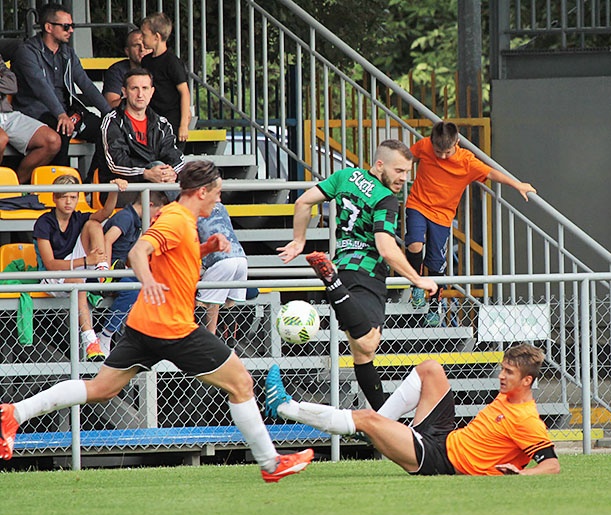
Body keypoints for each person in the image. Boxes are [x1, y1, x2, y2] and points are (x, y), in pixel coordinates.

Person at [1, 160, 313, 482]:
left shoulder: (182, 219)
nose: (219, 201)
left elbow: (173, 257)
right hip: (172, 327)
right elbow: (139, 252)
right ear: (201, 191)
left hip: (144, 325)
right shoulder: (177, 219)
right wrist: (147, 281)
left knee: (100, 388)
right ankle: (272, 464)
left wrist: (206, 248)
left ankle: (14, 413)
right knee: (242, 383)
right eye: (217, 194)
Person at [277, 139, 438, 412]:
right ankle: (332, 283)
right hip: (366, 273)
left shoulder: (345, 177)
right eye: (399, 171)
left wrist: (299, 239)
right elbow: (386, 248)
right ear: (379, 165)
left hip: (344, 266)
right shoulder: (385, 199)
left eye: (407, 172)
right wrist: (417, 279)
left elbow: (304, 201)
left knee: (363, 354)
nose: (404, 178)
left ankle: (385, 421)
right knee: (368, 341)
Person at [264, 343, 560, 476]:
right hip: (445, 437)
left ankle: (286, 407)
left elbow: (551, 464)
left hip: (439, 461)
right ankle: (379, 427)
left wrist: (524, 476)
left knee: (366, 420)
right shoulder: (508, 398)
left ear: (527, 380)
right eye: (502, 369)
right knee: (431, 369)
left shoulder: (527, 420)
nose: (502, 376)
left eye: (509, 372)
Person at [405, 121, 536, 325]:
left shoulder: (466, 161)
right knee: (414, 243)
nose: (442, 156)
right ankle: (415, 284)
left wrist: (517, 184)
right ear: (432, 143)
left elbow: (491, 173)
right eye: (438, 151)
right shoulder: (424, 146)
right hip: (418, 204)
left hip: (442, 215)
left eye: (447, 152)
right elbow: (409, 158)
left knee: (436, 262)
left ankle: (433, 305)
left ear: (457, 142)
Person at [34, 174, 124, 360]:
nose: (69, 201)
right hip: (53, 274)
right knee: (77, 282)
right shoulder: (44, 222)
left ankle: (103, 271)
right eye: (64, 196)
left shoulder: (78, 218)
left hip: (79, 264)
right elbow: (50, 264)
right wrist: (85, 261)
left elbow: (105, 213)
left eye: (73, 197)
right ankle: (90, 341)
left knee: (93, 224)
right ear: (54, 198)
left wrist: (115, 190)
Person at [11, 3, 111, 168]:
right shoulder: (27, 51)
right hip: (36, 112)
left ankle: (88, 184)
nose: (71, 30)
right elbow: (41, 87)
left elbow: (86, 84)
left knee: (106, 130)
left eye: (72, 26)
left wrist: (110, 115)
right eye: (66, 26)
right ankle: (61, 186)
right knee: (63, 129)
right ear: (49, 27)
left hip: (65, 112)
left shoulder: (68, 53)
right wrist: (60, 115)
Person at [96, 190, 169, 356]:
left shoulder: (136, 221)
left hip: (121, 268)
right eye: (157, 212)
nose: (156, 218)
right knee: (132, 290)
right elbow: (108, 239)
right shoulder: (126, 217)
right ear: (149, 205)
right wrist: (105, 272)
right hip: (109, 271)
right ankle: (106, 335)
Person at [99, 68, 184, 189]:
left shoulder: (162, 124)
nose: (140, 94)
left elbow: (175, 156)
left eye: (145, 88)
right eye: (134, 88)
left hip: (159, 184)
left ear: (152, 92)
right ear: (125, 92)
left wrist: (171, 172)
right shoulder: (112, 121)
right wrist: (146, 173)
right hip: (121, 187)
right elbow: (115, 163)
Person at [0, 53, 61, 183]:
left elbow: (11, 84)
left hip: (7, 113)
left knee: (52, 141)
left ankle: (14, 188)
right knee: (1, 139)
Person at [196, 201, 248, 335]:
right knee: (229, 302)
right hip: (241, 257)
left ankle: (208, 341)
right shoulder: (221, 206)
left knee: (205, 302)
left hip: (221, 259)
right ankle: (231, 344)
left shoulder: (192, 208)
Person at [140, 12, 190, 146]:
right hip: (153, 118)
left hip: (171, 119)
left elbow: (184, 92)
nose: (142, 38)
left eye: (144, 34)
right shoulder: (146, 61)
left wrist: (183, 125)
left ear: (156, 37)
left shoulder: (172, 62)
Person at [102, 29, 150, 109]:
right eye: (136, 45)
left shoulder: (159, 68)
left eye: (146, 45)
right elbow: (110, 104)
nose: (142, 49)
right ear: (127, 51)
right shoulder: (116, 71)